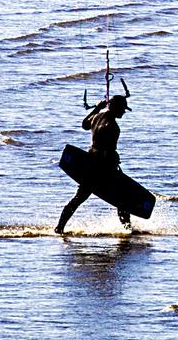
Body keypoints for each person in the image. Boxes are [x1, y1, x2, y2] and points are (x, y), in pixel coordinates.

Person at [55, 93, 134, 234]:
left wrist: (97, 108)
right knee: (123, 198)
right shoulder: (113, 127)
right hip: (102, 167)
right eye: (122, 108)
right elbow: (107, 151)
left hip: (89, 163)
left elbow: (85, 125)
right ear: (115, 107)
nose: (124, 112)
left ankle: (59, 227)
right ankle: (128, 230)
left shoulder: (97, 117)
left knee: (79, 198)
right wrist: (115, 159)